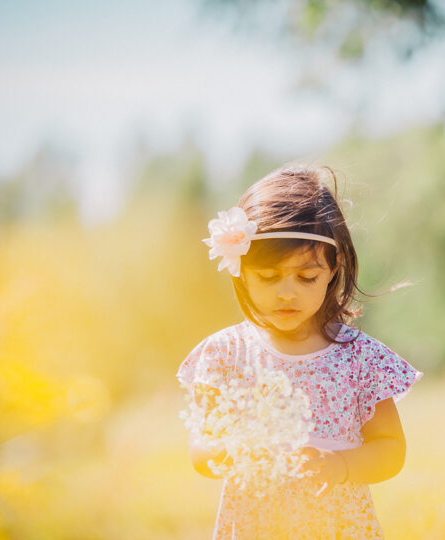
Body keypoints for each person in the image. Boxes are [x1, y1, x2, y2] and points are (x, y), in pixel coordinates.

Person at [177, 163, 424, 539]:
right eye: (269, 276)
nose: (286, 292)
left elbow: (391, 449)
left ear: (333, 267)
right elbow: (200, 450)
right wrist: (236, 449)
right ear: (241, 270)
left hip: (338, 528)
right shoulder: (225, 354)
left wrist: (340, 465)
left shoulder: (360, 358)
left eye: (306, 276)